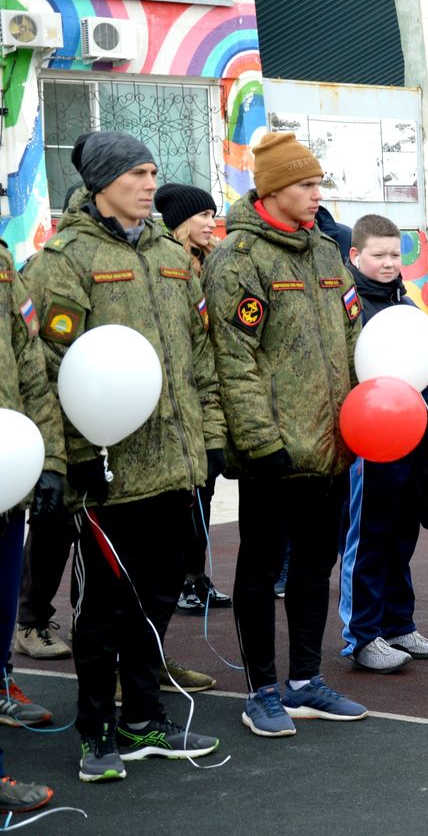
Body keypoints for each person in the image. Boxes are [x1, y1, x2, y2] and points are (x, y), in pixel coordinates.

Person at [25, 131, 223, 779]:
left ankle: (143, 719)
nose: (149, 184)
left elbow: (199, 353)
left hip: (175, 467)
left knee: (155, 603)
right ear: (103, 182)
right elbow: (52, 366)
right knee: (102, 611)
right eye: (137, 173)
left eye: (153, 172)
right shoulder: (65, 259)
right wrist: (77, 453)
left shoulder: (170, 253)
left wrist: (211, 436)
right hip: (108, 475)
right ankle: (96, 733)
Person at [203, 132, 367, 735]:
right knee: (260, 568)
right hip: (271, 451)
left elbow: (352, 337)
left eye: (319, 183)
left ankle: (305, 683)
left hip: (332, 447)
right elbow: (233, 359)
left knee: (314, 568)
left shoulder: (325, 251)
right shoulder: (237, 258)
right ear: (272, 189)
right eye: (307, 184)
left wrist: (366, 411)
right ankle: (261, 691)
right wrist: (259, 440)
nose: (318, 194)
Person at [338, 214, 428, 674]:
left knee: (403, 533)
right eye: (378, 255)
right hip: (370, 440)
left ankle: (399, 624)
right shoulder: (347, 306)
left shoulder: (406, 303)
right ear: (355, 255)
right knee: (369, 537)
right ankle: (362, 636)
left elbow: (412, 366)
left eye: (394, 255)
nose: (388, 263)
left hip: (411, 434)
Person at [0, 234, 65, 810]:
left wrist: (48, 460)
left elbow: (32, 365)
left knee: (0, 616)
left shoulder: (2, 263)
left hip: (7, 472)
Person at [155, 183, 234, 615]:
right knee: (182, 501)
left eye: (212, 214)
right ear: (181, 222)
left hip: (211, 392)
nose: (211, 223)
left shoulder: (214, 261)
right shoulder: (169, 264)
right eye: (203, 215)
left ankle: (196, 576)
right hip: (179, 397)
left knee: (204, 493)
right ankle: (180, 580)